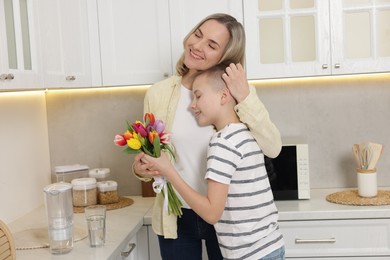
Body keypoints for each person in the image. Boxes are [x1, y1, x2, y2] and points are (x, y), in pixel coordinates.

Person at [132, 13, 282, 260]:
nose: (197, 46)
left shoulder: (236, 92)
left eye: (212, 45)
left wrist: (244, 97)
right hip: (176, 214)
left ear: (225, 57)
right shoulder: (157, 94)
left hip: (225, 217)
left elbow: (273, 147)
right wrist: (141, 167)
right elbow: (150, 154)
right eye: (198, 34)